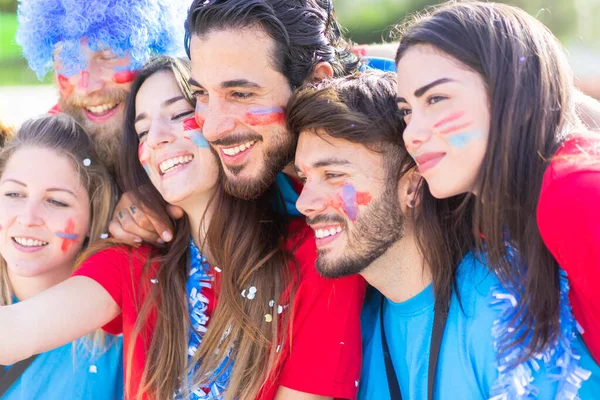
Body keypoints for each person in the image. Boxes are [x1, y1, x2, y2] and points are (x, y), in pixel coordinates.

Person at [0, 56, 365, 400]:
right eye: (142, 130)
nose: (156, 138)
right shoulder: (135, 261)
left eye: (179, 115)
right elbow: (16, 331)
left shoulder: (317, 258)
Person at [287, 70, 600, 399]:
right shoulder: (355, 325)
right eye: (305, 177)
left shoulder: (505, 317)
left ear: (412, 186)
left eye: (333, 174)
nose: (305, 203)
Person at [394, 1, 600, 362]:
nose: (411, 133)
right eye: (407, 110)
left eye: (436, 99)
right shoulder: (503, 211)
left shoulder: (575, 193)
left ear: (516, 95)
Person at [111, 0, 398, 244]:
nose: (211, 128)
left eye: (240, 94)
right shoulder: (246, 171)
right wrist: (139, 204)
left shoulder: (410, 120)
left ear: (317, 82)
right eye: (201, 94)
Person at [0, 114, 122, 399]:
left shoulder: (117, 331)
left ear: (93, 218)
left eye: (56, 201)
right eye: (14, 194)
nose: (29, 218)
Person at [16, 0, 189, 176]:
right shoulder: (39, 159)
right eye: (70, 59)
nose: (87, 87)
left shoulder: (196, 138)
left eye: (110, 54)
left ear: (153, 52)